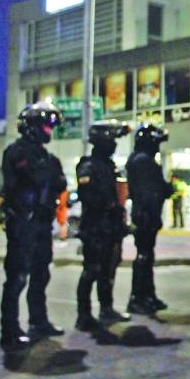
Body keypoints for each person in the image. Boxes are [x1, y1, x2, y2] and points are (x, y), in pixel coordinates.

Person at [0, 102, 67, 350]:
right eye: (45, 126)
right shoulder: (16, 152)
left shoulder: (46, 156)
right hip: (22, 222)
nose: (48, 131)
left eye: (50, 126)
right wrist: (46, 175)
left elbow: (59, 182)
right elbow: (35, 178)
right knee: (17, 277)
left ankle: (38, 320)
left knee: (41, 273)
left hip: (41, 222)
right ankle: (9, 329)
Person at [75, 120, 132, 331]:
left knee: (108, 271)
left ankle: (106, 308)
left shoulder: (109, 166)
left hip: (110, 228)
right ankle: (83, 315)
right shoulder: (88, 166)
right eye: (112, 139)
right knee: (92, 270)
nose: (114, 144)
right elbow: (88, 196)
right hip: (95, 228)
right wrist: (109, 207)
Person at [126, 123, 174, 315]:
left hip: (146, 214)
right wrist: (164, 191)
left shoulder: (140, 160)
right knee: (144, 257)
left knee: (147, 256)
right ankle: (139, 297)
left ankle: (147, 295)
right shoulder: (142, 161)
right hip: (145, 215)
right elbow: (149, 192)